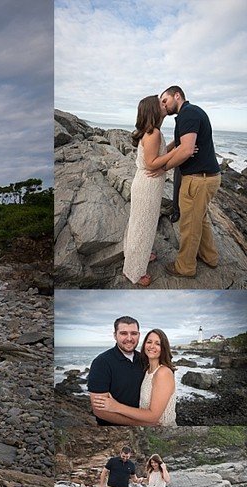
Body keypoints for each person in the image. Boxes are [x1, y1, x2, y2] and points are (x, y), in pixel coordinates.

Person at [153, 86, 222, 278]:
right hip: (208, 177)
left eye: (165, 101)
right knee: (201, 219)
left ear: (177, 96)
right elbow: (180, 144)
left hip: (198, 179)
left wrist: (163, 168)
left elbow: (186, 150)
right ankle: (210, 257)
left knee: (190, 225)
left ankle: (185, 267)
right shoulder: (191, 113)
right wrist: (161, 154)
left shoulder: (187, 115)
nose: (163, 106)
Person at [122, 96, 178, 286]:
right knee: (143, 227)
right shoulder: (152, 133)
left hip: (145, 183)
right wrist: (177, 153)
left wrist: (173, 146)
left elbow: (157, 154)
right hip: (148, 185)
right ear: (153, 110)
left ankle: (137, 257)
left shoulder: (152, 132)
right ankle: (135, 273)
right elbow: (152, 163)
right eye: (161, 103)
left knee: (139, 224)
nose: (165, 105)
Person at [90, 329, 177, 426]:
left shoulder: (163, 373)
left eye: (158, 344)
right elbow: (98, 408)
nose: (152, 346)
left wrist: (116, 406)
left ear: (164, 348)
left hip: (163, 430)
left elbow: (153, 416)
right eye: (149, 342)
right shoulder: (146, 369)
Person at [87, 316, 148, 426]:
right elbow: (99, 411)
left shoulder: (144, 359)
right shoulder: (101, 362)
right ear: (115, 335)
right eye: (123, 333)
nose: (129, 338)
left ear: (139, 335)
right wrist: (140, 423)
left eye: (134, 333)